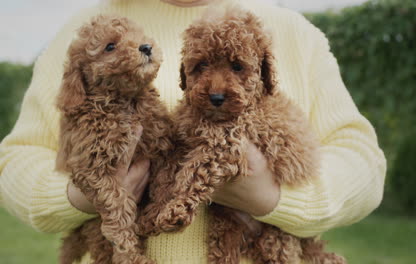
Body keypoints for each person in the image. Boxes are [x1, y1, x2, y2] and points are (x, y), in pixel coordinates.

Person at [0, 0, 386, 263]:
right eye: (199, 69)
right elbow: (16, 161)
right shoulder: (88, 32)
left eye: (237, 68)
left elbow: (362, 160)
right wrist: (82, 194)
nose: (216, 86)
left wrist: (275, 198)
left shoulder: (293, 33)